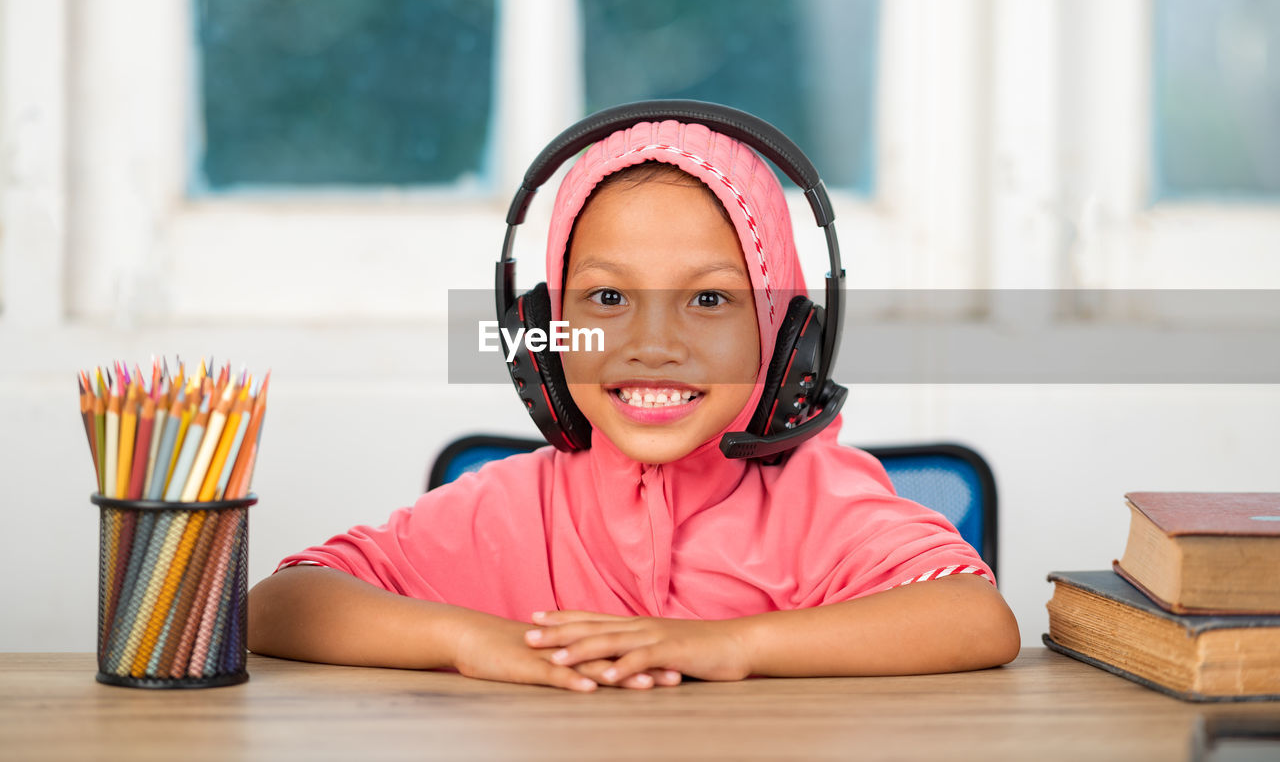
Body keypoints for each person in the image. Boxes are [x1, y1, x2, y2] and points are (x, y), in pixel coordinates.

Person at [247, 116, 1021, 693]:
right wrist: (467, 639)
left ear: (787, 341)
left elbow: (976, 619)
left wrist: (733, 645)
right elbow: (279, 604)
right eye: (608, 296)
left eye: (710, 299)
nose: (652, 344)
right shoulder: (508, 507)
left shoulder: (819, 501)